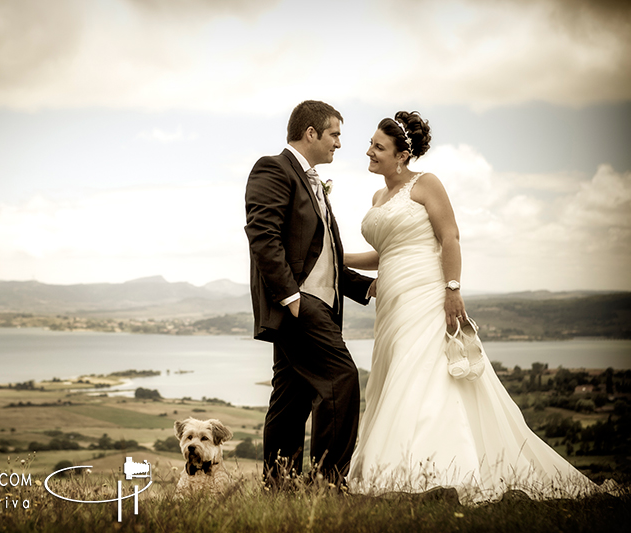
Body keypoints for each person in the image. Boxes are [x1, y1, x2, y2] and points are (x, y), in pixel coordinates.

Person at [344, 111, 606, 502]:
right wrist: (338, 257)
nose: (369, 151)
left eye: (378, 146)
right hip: (392, 302)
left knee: (425, 376)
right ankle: (397, 470)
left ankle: (426, 472)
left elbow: (450, 237)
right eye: (371, 144)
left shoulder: (426, 184)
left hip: (427, 294)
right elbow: (385, 254)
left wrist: (453, 289)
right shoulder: (378, 197)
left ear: (401, 155)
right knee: (396, 370)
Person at [245, 100, 374, 486]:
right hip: (298, 305)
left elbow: (325, 258)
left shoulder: (315, 182)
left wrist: (369, 287)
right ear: (311, 133)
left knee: (291, 397)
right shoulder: (273, 168)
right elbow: (263, 236)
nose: (338, 143)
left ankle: (279, 485)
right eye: (335, 134)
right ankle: (327, 483)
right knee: (342, 378)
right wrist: (291, 298)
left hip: (313, 305)